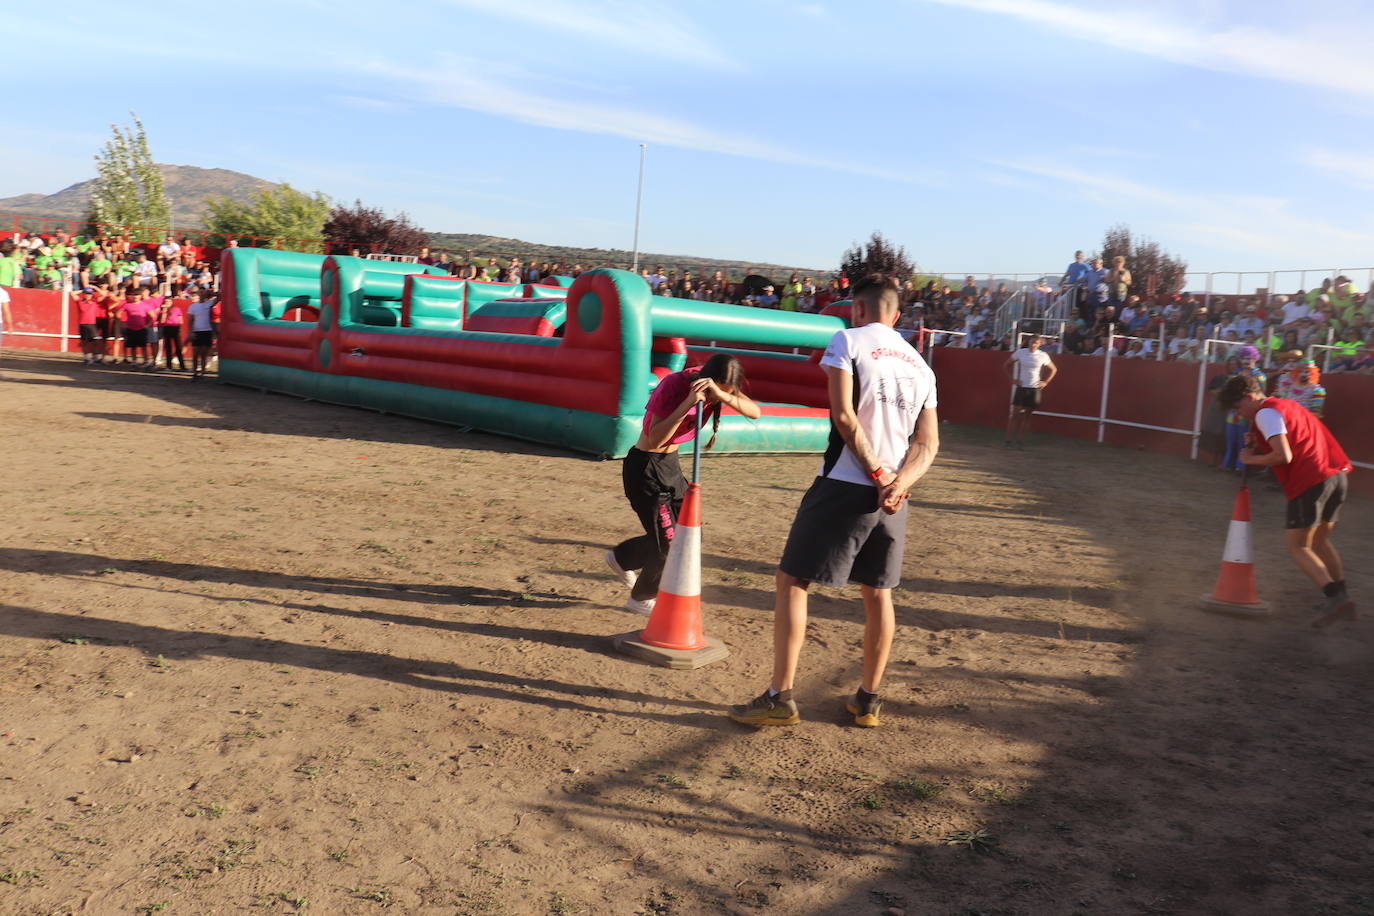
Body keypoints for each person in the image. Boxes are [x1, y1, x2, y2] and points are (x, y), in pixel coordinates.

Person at [728, 274, 938, 729]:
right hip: (893, 500)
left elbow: (843, 415)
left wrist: (878, 474)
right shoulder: (922, 365)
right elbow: (929, 444)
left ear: (857, 309)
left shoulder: (848, 340)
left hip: (846, 482)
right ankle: (868, 699)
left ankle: (779, 695)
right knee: (879, 593)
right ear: (897, 315)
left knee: (792, 581)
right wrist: (899, 483)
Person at [605, 354, 761, 614]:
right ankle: (640, 598)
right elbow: (654, 440)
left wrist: (722, 396)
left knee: (690, 537)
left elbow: (755, 413)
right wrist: (688, 403)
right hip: (645, 469)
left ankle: (623, 558)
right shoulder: (675, 386)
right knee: (669, 546)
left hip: (670, 467)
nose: (713, 398)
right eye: (713, 392)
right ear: (703, 379)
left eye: (723, 393)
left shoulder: (718, 387)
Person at [1220, 374, 1355, 627]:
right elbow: (1292, 440)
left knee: (1298, 547)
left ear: (1249, 397)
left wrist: (1250, 459)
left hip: (1310, 481)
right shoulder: (1286, 404)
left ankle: (1336, 599)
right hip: (1336, 475)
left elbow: (1283, 455)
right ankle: (1343, 595)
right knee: (1320, 541)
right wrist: (1259, 445)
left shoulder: (1265, 414)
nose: (1239, 414)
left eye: (1238, 407)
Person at [1004, 333, 1057, 448]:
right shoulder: (1021, 352)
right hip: (1022, 387)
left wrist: (1046, 382)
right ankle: (1008, 441)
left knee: (1027, 416)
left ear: (1039, 344)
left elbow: (1053, 369)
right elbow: (1006, 365)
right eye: (1031, 342)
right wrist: (1012, 379)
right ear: (1028, 342)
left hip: (1034, 388)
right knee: (1015, 414)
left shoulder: (1043, 355)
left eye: (1035, 343)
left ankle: (1020, 442)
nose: (1033, 344)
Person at [1220, 346, 1266, 471]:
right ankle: (1227, 463)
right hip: (1233, 412)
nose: (1247, 361)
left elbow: (1261, 394)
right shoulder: (1237, 373)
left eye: (1249, 358)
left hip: (1247, 412)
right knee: (1230, 440)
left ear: (1255, 359)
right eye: (1245, 358)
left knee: (1243, 441)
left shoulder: (1259, 376)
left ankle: (1240, 466)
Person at [187, 291, 217, 378]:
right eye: (200, 293)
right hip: (197, 331)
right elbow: (190, 320)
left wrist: (212, 293)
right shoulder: (193, 306)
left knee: (204, 354)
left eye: (203, 293)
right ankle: (195, 372)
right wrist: (190, 331)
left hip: (207, 331)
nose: (202, 295)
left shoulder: (209, 303)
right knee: (195, 353)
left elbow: (219, 297)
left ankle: (202, 372)